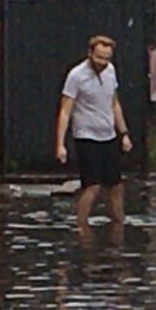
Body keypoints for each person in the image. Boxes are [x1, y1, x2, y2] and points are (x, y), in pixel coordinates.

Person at [55, 35, 133, 235]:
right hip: (85, 136)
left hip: (108, 135)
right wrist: (60, 144)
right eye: (99, 58)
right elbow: (65, 110)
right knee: (92, 185)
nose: (103, 63)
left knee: (116, 185)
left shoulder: (110, 72)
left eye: (107, 58)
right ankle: (82, 226)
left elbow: (114, 103)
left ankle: (119, 224)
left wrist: (123, 133)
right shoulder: (76, 76)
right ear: (90, 53)